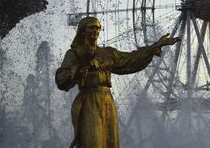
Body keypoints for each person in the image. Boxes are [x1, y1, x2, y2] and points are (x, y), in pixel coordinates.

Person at [55, 16, 179, 148]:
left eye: (98, 28)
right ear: (83, 31)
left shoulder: (108, 53)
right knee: (92, 142)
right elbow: (61, 78)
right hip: (89, 101)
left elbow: (131, 59)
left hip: (107, 101)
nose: (96, 31)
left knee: (111, 142)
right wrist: (78, 72)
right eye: (92, 27)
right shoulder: (74, 53)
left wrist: (156, 46)